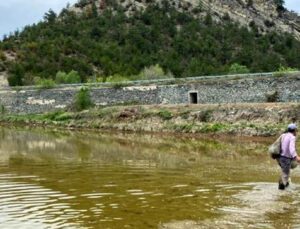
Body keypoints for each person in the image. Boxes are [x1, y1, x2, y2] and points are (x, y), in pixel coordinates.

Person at [278, 123, 299, 190]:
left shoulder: (284, 135)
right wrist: (296, 157)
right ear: (294, 130)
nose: (297, 131)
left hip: (281, 157)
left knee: (285, 173)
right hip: (286, 158)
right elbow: (291, 148)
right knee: (285, 175)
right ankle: (281, 192)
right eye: (296, 130)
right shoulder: (292, 137)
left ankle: (285, 185)